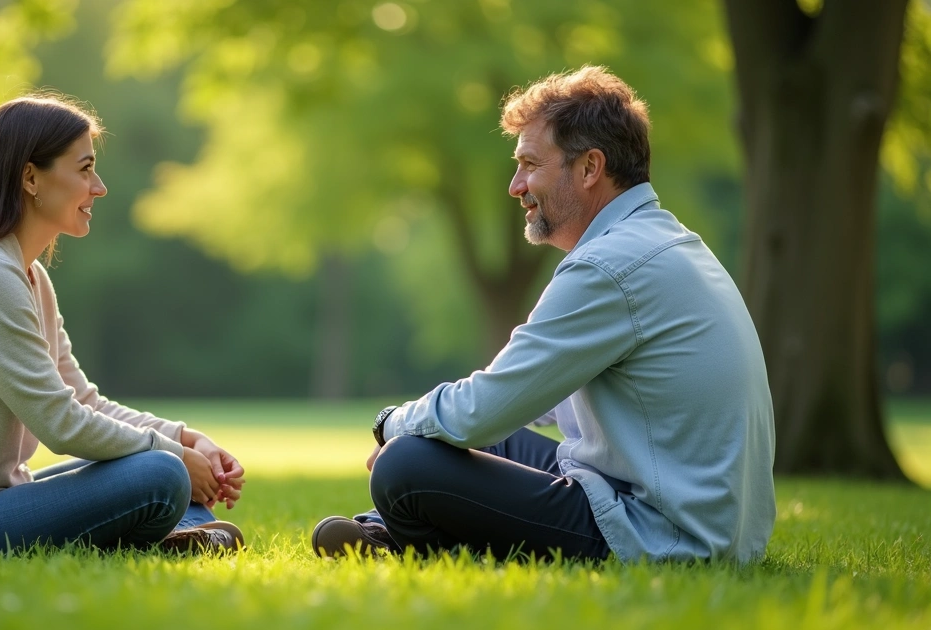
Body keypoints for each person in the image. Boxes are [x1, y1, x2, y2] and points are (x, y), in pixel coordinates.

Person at [312, 66, 776, 563]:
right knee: (481, 439)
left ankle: (401, 541)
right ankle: (386, 533)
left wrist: (392, 423)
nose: (516, 186)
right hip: (699, 520)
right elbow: (522, 399)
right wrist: (437, 424)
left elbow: (483, 409)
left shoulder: (609, 266)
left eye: (530, 164)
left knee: (406, 461)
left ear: (589, 168)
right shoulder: (664, 243)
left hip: (658, 534)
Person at [0, 95, 245, 554]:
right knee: (160, 474)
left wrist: (184, 437)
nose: (99, 187)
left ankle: (172, 532)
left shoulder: (28, 276)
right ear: (29, 177)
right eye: (84, 169)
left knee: (162, 471)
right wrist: (174, 455)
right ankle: (165, 531)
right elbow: (61, 425)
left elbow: (80, 399)